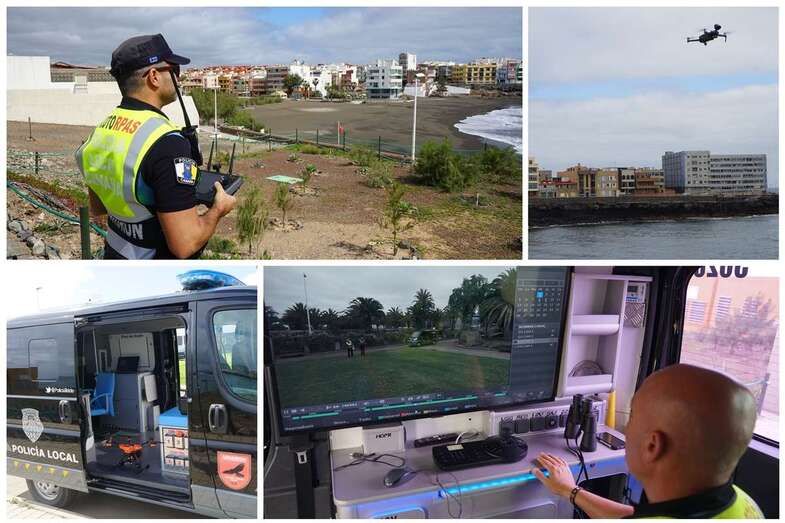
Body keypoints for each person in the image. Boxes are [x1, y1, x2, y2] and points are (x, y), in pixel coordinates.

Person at [75, 34, 236, 259]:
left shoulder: (101, 131)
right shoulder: (168, 143)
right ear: (153, 76)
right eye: (174, 70)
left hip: (115, 252)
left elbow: (99, 207)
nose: (178, 79)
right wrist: (219, 209)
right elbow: (185, 244)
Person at [534, 364, 763, 519]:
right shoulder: (744, 504)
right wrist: (570, 490)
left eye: (632, 418)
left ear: (653, 446)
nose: (626, 429)